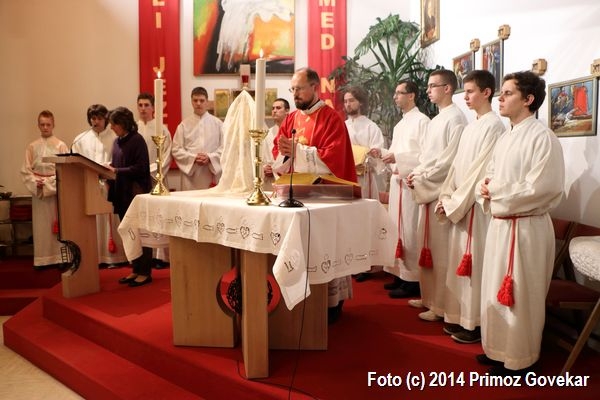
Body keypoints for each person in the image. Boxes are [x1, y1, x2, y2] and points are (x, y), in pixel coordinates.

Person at [476, 71, 564, 375]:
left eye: (508, 93)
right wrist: (485, 188)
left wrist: (496, 191)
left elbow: (543, 187)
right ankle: (497, 349)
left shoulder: (543, 138)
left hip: (526, 228)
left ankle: (520, 359)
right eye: (501, 93)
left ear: (528, 99)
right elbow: (490, 174)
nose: (500, 98)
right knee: (494, 288)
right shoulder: (506, 137)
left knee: (522, 296)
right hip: (501, 225)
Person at [273, 67, 357, 323]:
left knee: (325, 247)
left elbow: (334, 158)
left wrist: (298, 151)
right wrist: (285, 153)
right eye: (292, 89)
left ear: (314, 87)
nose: (295, 94)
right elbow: (280, 151)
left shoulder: (331, 118)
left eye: (299, 89)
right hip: (297, 195)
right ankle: (300, 298)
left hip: (325, 196)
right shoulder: (291, 119)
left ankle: (331, 302)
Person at [435, 70, 504, 344]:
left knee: (474, 267)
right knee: (459, 264)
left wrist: (455, 202)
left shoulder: (494, 126)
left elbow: (479, 172)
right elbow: (456, 166)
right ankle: (457, 316)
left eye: (471, 91)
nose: (466, 97)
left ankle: (473, 323)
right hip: (459, 203)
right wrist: (446, 196)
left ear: (486, 92)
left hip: (474, 205)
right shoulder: (471, 126)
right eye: (464, 91)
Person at [407, 69, 467, 322]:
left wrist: (423, 178)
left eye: (433, 86)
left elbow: (448, 161)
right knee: (427, 247)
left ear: (447, 88)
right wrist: (417, 173)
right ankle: (428, 297)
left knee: (441, 253)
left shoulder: (456, 119)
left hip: (440, 191)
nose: (428, 90)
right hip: (427, 186)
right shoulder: (437, 119)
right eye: (429, 86)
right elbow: (426, 157)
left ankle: (440, 305)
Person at [372, 80, 429, 296]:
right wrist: (382, 154)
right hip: (398, 183)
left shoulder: (423, 122)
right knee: (397, 229)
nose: (395, 97)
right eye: (395, 93)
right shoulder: (399, 124)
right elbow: (395, 153)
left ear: (411, 95)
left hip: (410, 183)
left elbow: (424, 155)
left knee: (410, 230)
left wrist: (398, 158)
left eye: (399, 93)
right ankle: (398, 274)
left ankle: (412, 279)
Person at [72, 104, 128, 268]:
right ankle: (95, 257)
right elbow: (76, 163)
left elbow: (120, 160)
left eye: (99, 118)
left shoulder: (114, 138)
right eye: (93, 118)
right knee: (94, 222)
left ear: (106, 119)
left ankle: (115, 258)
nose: (96, 122)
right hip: (90, 186)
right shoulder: (81, 139)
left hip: (110, 185)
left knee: (112, 221)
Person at [106, 107, 153, 287]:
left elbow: (141, 168)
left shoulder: (137, 140)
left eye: (114, 124)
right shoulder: (117, 141)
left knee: (140, 233)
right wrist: (107, 170)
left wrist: (116, 170)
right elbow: (116, 165)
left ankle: (145, 272)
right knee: (129, 233)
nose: (111, 127)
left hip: (135, 193)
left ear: (123, 124)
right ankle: (135, 269)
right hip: (121, 193)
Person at [20, 110, 69, 269]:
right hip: (39, 192)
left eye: (48, 124)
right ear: (38, 126)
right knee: (41, 227)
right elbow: (26, 171)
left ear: (53, 125)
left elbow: (66, 171)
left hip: (55, 191)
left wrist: (49, 184)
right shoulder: (32, 146)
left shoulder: (61, 145)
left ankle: (61, 258)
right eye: (42, 124)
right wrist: (36, 182)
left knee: (59, 225)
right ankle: (43, 259)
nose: (45, 127)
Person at [136, 93, 172, 268]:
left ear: (153, 108)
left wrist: (152, 171)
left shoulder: (161, 129)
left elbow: (166, 154)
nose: (143, 109)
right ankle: (142, 255)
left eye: (146, 105)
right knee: (142, 218)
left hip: (156, 179)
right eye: (140, 105)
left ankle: (160, 256)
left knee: (159, 216)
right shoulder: (134, 129)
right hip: (138, 180)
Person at [172, 87, 223, 190]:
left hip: (211, 173)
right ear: (191, 101)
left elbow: (225, 148)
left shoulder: (218, 124)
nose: (198, 103)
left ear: (207, 102)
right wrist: (193, 158)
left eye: (202, 100)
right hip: (190, 176)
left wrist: (210, 158)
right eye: (195, 100)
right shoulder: (183, 125)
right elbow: (176, 150)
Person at [343, 86, 385, 200]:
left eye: (351, 100)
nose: (348, 104)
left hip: (364, 178)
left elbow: (377, 156)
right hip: (345, 177)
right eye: (345, 101)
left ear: (360, 102)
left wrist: (362, 155)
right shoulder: (342, 126)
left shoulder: (371, 127)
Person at [262, 97, 290, 190]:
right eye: (273, 108)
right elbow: (260, 156)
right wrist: (264, 168)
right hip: (269, 180)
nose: (274, 111)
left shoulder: (293, 131)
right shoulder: (267, 133)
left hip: (286, 178)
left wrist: (276, 169)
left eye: (278, 108)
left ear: (287, 111)